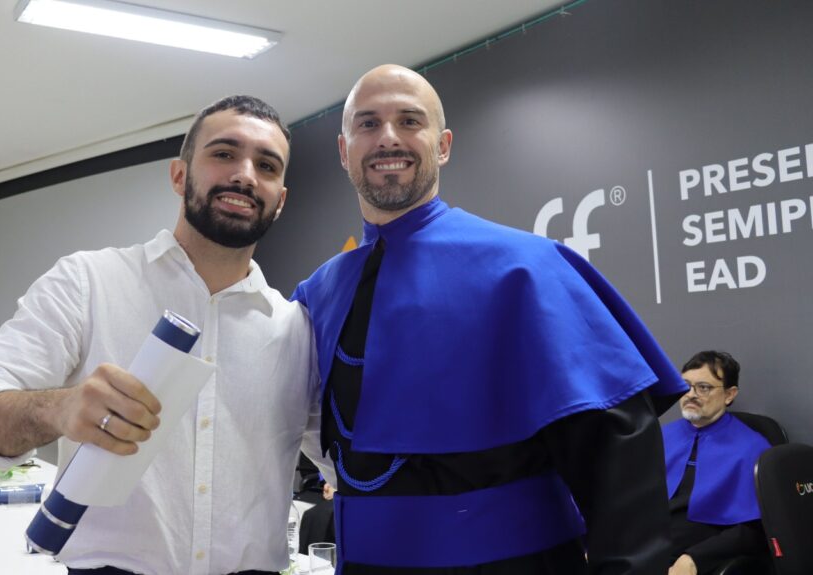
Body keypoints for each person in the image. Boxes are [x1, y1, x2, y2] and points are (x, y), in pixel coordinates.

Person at [292, 64, 688, 574]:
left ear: (443, 146)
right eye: (368, 123)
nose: (388, 137)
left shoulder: (527, 267)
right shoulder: (319, 293)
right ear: (344, 151)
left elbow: (617, 453)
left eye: (409, 121)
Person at [0, 96, 325, 575]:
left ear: (280, 200)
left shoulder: (296, 330)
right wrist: (59, 409)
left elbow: (343, 461)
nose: (245, 175)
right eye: (224, 153)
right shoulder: (89, 282)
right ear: (179, 176)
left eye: (266, 165)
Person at [664, 351, 772, 575]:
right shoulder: (661, 436)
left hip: (690, 552)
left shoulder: (752, 447)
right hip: (645, 543)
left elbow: (754, 529)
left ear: (729, 395)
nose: (690, 395)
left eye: (703, 388)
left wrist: (695, 559)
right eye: (685, 386)